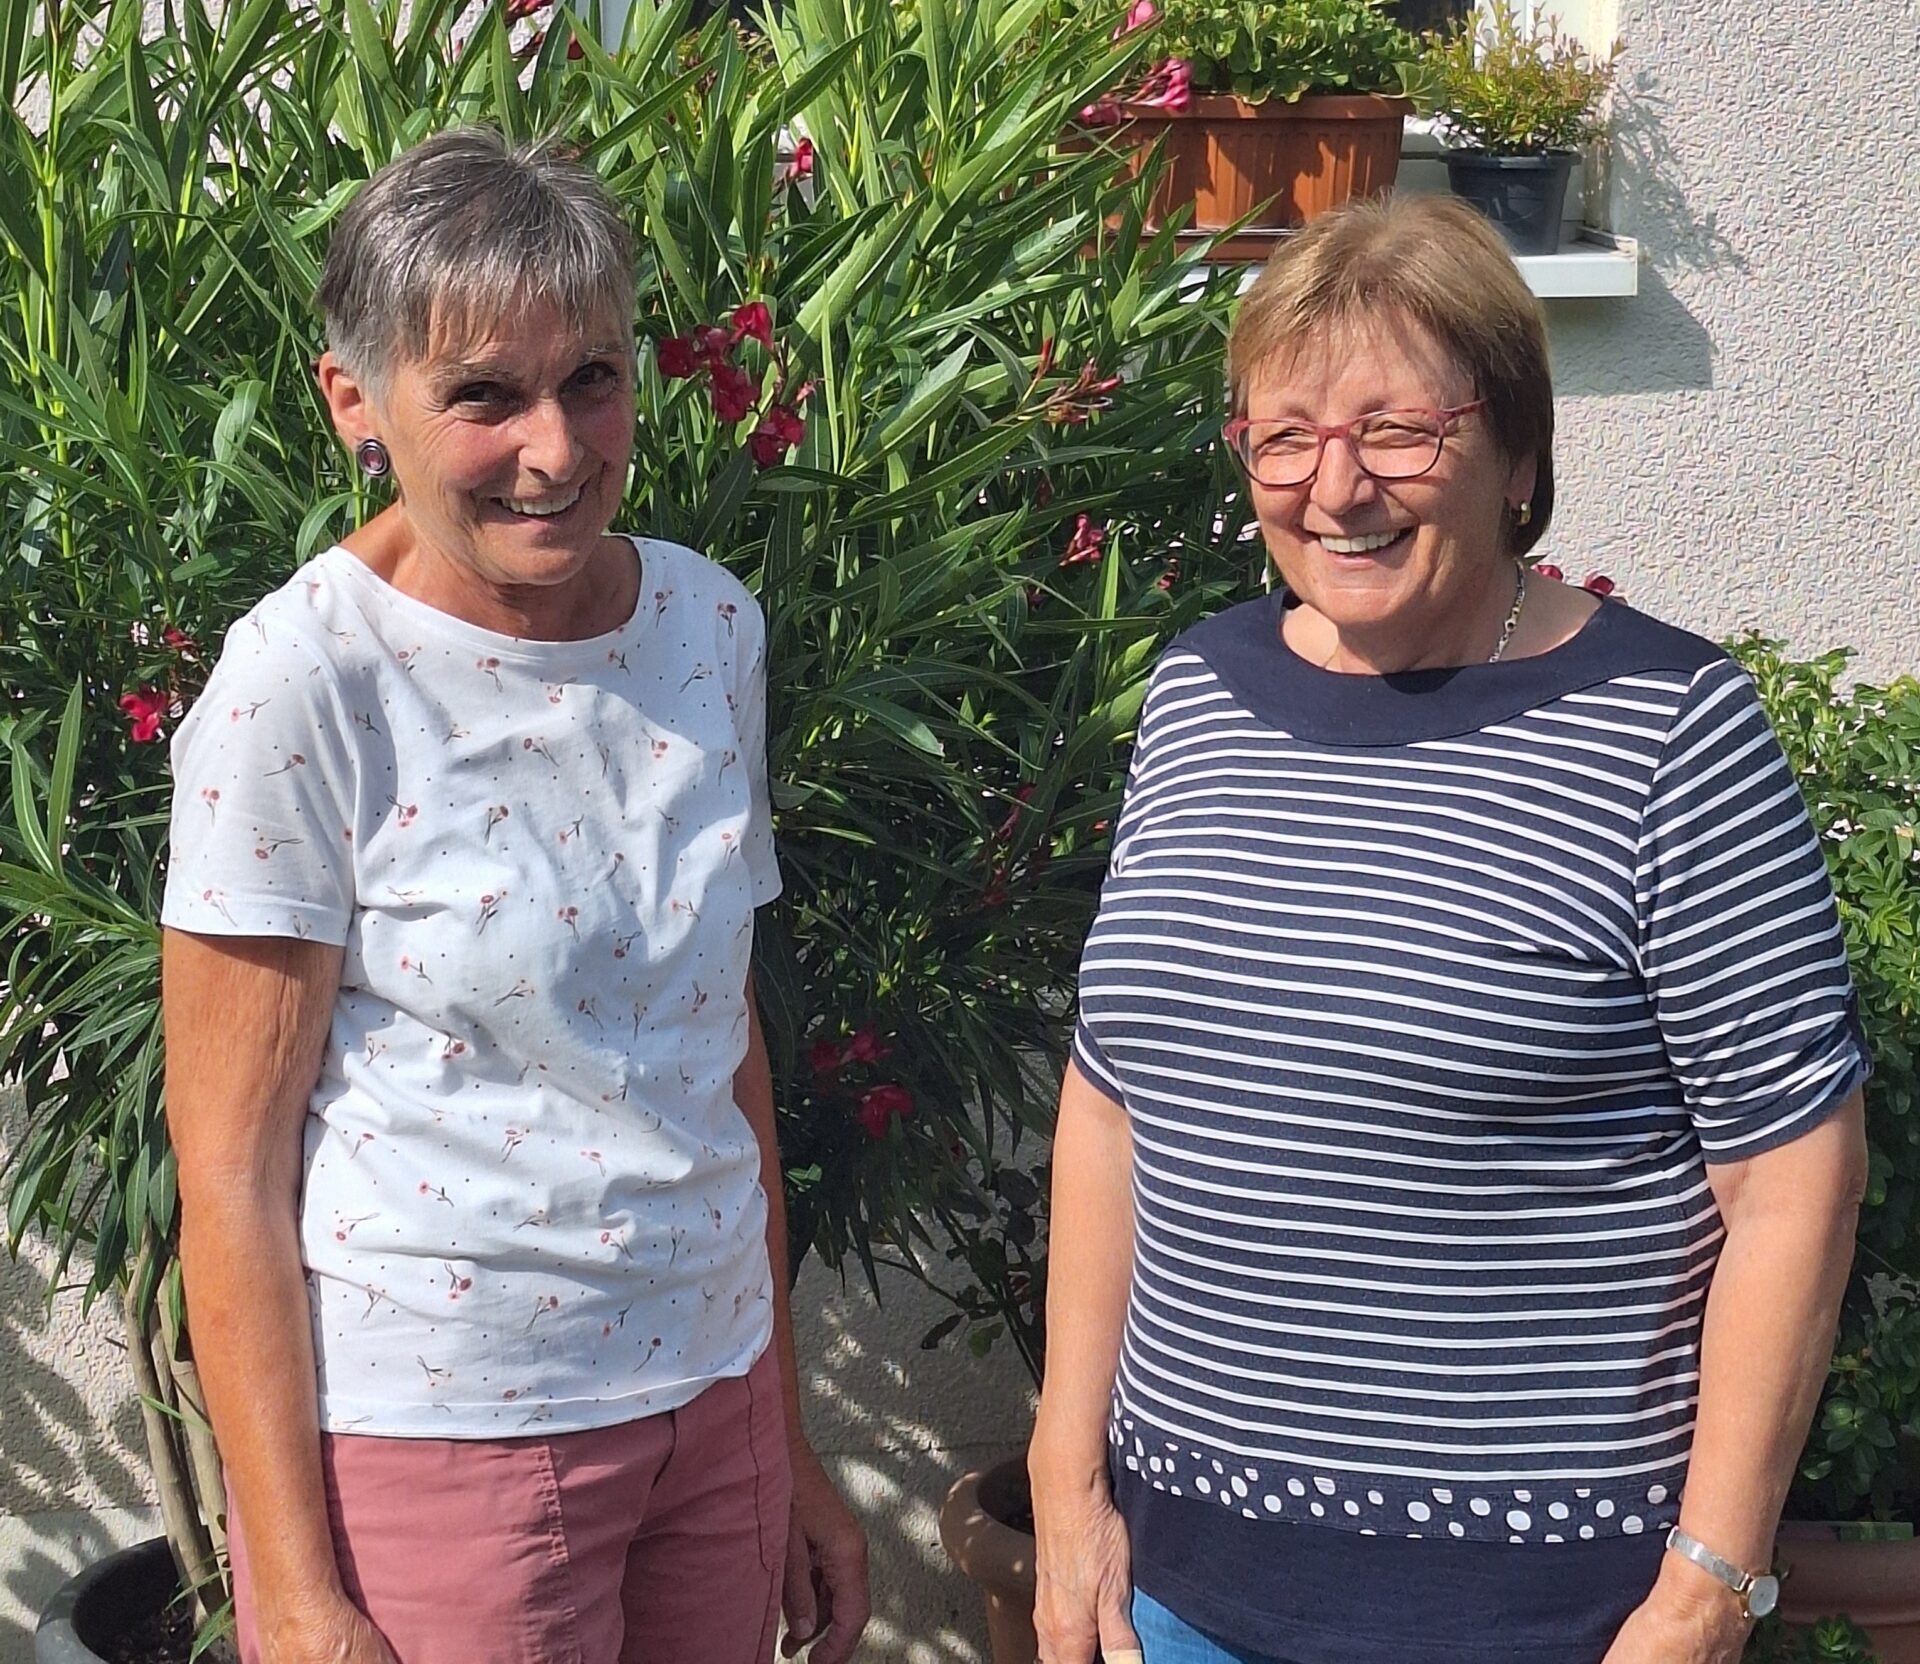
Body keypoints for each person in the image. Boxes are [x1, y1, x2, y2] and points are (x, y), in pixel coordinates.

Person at [1029, 193, 1870, 1664]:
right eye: (1286, 437)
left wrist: (1708, 1588)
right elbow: (1113, 1103)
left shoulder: (1668, 732)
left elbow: (1794, 1176)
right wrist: (1065, 1478)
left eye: (1398, 433)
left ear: (1518, 455)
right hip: (1175, 1592)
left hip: (1536, 1613)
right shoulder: (1199, 693)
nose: (1336, 487)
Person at [160, 127, 868, 1664]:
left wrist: (788, 1436)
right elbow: (228, 1173)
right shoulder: (306, 686)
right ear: (355, 401)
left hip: (717, 1408)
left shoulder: (707, 625)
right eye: (484, 395)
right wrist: (301, 1599)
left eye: (592, 378)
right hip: (449, 1445)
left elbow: (719, 1040)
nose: (556, 448)